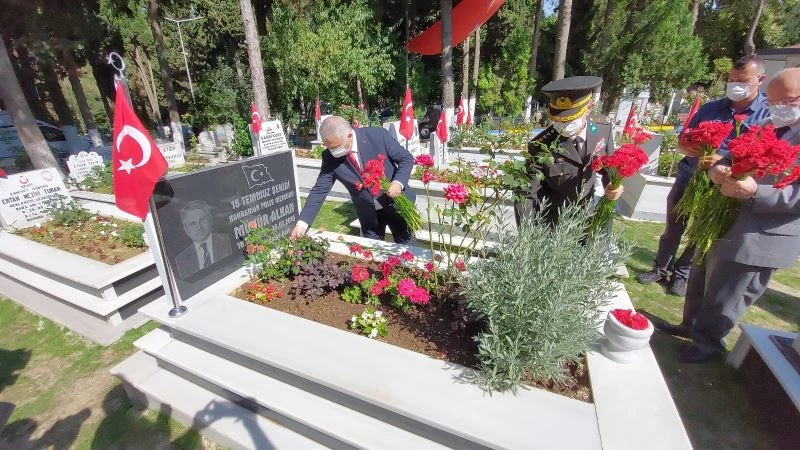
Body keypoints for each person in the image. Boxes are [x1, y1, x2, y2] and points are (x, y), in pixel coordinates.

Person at [659, 68, 800, 363]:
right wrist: (718, 168)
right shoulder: (768, 125)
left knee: (728, 292)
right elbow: (732, 153)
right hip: (726, 218)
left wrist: (755, 192)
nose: (775, 108)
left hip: (760, 234)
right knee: (701, 277)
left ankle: (708, 344)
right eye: (772, 102)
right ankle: (689, 326)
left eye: (784, 102)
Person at [636, 55, 770, 296]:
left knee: (701, 231)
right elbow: (682, 142)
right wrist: (689, 147)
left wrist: (724, 160)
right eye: (731, 79)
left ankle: (681, 274)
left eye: (742, 80)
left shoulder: (765, 116)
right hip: (690, 177)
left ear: (760, 80)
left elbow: (762, 154)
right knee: (673, 227)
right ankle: (660, 268)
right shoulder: (711, 109)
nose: (734, 84)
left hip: (722, 185)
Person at [514, 76, 621, 226]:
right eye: (558, 120)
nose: (562, 125)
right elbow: (527, 194)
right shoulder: (541, 145)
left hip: (589, 220)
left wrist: (612, 185)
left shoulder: (602, 131)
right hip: (554, 225)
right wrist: (526, 235)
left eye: (569, 119)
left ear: (588, 108)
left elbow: (609, 167)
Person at [290, 115, 416, 244]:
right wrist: (302, 224)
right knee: (373, 256)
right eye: (329, 147)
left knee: (408, 251)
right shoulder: (330, 157)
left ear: (349, 136)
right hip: (369, 214)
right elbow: (319, 190)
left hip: (396, 204)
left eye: (336, 147)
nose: (333, 152)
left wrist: (398, 183)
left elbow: (406, 158)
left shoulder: (378, 136)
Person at [175, 200, 233, 279]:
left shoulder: (227, 240)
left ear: (210, 219)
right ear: (186, 230)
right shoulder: (181, 260)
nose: (199, 227)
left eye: (202, 220)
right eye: (193, 223)